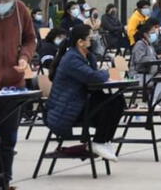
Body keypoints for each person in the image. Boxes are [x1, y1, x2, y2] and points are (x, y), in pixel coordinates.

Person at [46, 25, 125, 162]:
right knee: (109, 104)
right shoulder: (72, 59)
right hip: (67, 109)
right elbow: (93, 77)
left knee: (118, 100)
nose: (93, 39)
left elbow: (94, 77)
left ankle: (104, 140)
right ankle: (98, 142)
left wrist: (96, 66)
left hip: (80, 102)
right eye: (90, 37)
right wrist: (106, 73)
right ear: (80, 42)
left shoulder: (86, 56)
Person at [0, 0, 37, 189]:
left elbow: (30, 38)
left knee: (8, 138)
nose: (2, 5)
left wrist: (24, 57)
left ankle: (4, 181)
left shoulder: (20, 10)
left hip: (13, 87)